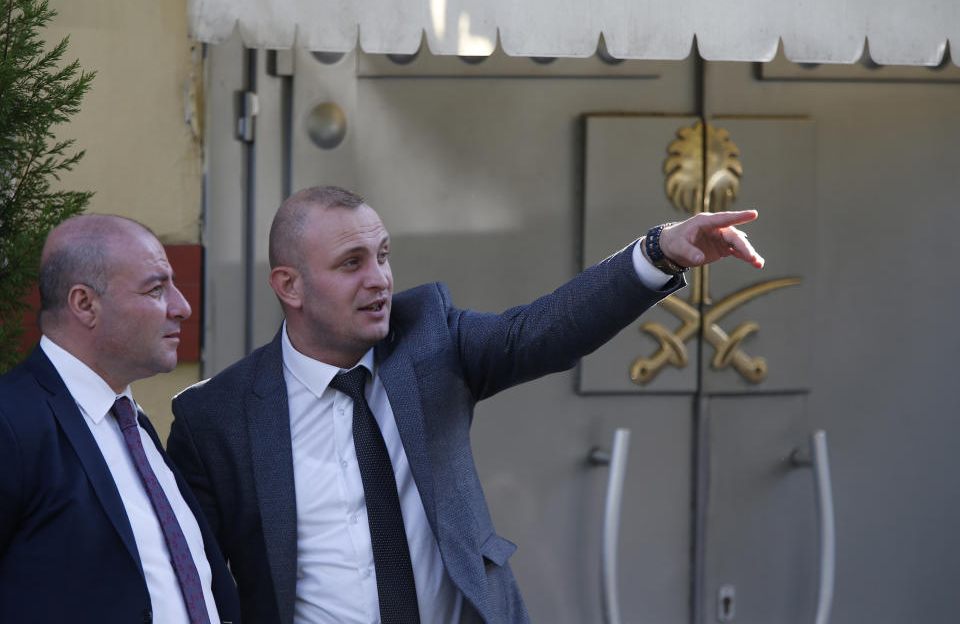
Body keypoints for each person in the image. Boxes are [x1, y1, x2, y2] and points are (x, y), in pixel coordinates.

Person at [167, 186, 764, 624]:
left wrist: (661, 251)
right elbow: (198, 588)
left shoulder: (429, 341)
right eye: (351, 264)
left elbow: (542, 331)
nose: (378, 280)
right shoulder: (216, 420)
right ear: (289, 286)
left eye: (383, 255)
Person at [0, 215, 241, 624]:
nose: (182, 308)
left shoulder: (134, 424)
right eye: (156, 289)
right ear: (85, 304)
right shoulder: (11, 422)